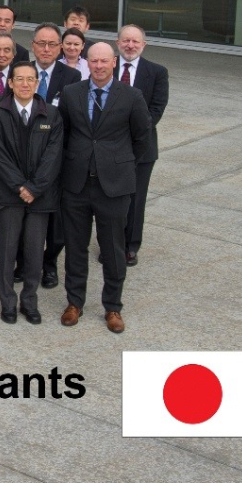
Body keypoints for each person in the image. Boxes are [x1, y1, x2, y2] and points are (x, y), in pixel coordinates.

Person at [57, 42, 151, 334]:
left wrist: (117, 162)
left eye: (103, 61)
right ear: (87, 63)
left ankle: (113, 306)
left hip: (114, 185)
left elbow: (141, 136)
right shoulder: (72, 93)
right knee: (75, 247)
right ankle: (75, 303)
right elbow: (65, 132)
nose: (98, 66)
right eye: (93, 61)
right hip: (76, 183)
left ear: (114, 63)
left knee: (112, 248)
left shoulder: (132, 96)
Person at [0, 61, 62, 325]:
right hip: (9, 195)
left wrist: (34, 188)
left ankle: (29, 301)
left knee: (33, 251)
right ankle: (8, 302)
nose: (25, 84)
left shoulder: (51, 114)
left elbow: (53, 156)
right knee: (6, 251)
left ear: (37, 83)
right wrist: (20, 186)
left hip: (41, 196)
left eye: (31, 79)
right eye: (19, 79)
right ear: (10, 83)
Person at [115, 24, 169, 266]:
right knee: (111, 198)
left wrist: (129, 132)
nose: (130, 45)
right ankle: (111, 244)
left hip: (142, 147)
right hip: (109, 145)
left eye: (135, 42)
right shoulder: (106, 66)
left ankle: (130, 245)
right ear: (118, 43)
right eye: (126, 41)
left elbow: (155, 111)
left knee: (136, 198)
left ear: (143, 45)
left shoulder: (157, 72)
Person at [29, 23, 80, 106]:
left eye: (52, 44)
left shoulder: (72, 76)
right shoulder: (20, 71)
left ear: (60, 48)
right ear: (33, 46)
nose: (46, 49)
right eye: (41, 43)